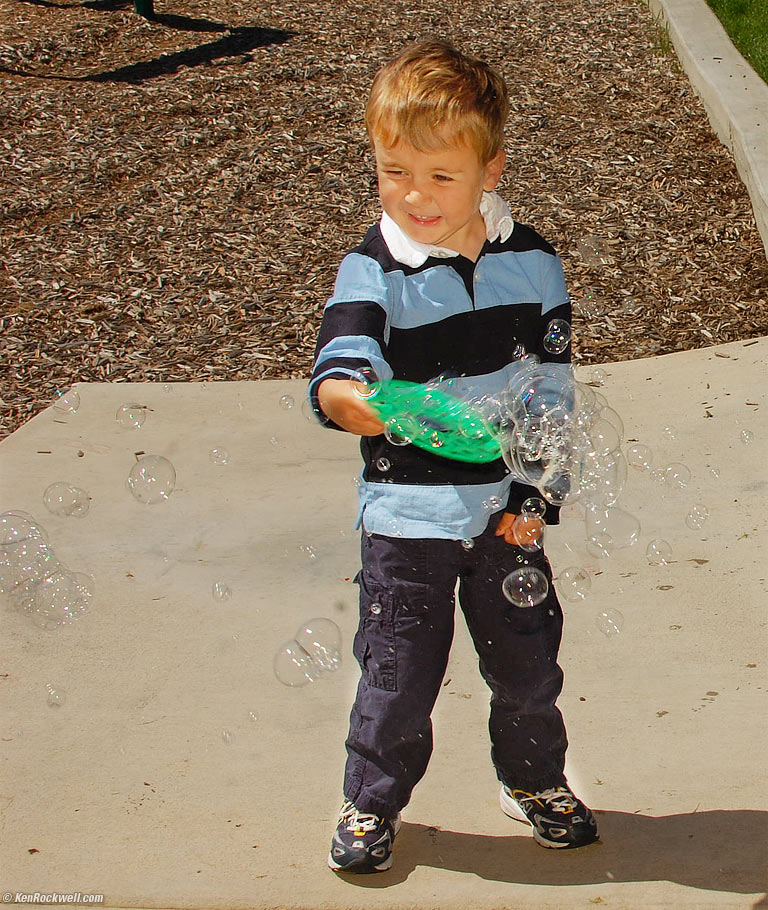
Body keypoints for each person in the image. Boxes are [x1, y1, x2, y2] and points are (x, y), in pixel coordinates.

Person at [307, 39, 598, 874]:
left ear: (490, 168)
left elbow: (550, 393)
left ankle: (534, 779)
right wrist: (355, 401)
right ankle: (371, 800)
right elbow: (341, 365)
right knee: (398, 674)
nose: (415, 195)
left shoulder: (533, 262)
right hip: (409, 517)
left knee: (528, 664)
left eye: (441, 175)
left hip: (505, 513)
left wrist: (536, 498)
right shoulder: (373, 270)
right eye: (394, 171)